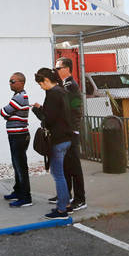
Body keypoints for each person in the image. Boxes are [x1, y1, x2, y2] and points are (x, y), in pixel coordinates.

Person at [32, 68, 74, 220]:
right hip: (66, 138)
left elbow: (48, 119)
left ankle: (62, 209)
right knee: (60, 173)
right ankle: (67, 205)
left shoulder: (53, 94)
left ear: (46, 80)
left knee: (57, 174)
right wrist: (42, 109)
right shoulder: (61, 91)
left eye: (40, 84)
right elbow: (57, 114)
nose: (40, 87)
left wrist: (38, 111)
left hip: (58, 139)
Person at [54, 57, 87, 212]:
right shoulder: (64, 85)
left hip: (71, 132)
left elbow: (75, 108)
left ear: (67, 68)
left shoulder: (71, 86)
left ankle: (80, 199)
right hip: (66, 132)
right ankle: (65, 193)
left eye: (58, 68)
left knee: (74, 166)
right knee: (66, 165)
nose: (56, 71)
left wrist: (73, 128)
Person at [1, 72, 33, 208]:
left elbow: (3, 112)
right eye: (9, 81)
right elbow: (7, 113)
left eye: (12, 81)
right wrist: (8, 114)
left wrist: (7, 114)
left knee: (20, 167)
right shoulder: (17, 96)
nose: (10, 83)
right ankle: (18, 191)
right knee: (17, 165)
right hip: (16, 135)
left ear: (21, 82)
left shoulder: (20, 97)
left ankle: (26, 197)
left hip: (19, 136)